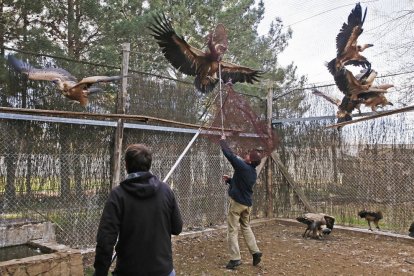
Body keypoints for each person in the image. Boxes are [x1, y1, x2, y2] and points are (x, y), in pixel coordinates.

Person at [94, 143, 183, 276]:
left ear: (126, 165)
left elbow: (106, 238)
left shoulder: (118, 195)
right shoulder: (166, 191)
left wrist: (100, 271)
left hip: (129, 270)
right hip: (163, 270)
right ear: (149, 164)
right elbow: (177, 227)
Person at [219, 135, 263, 269]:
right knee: (246, 227)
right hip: (247, 205)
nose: (246, 155)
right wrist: (230, 181)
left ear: (250, 161)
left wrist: (222, 141)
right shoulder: (252, 172)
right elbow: (242, 184)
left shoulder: (243, 166)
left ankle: (235, 258)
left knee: (232, 230)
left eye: (249, 155)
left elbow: (230, 156)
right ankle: (255, 252)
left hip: (237, 204)